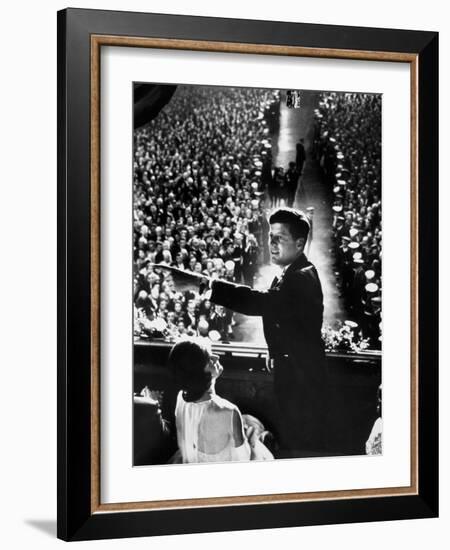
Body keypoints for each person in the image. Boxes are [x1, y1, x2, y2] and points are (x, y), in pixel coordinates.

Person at [156, 208, 330, 458]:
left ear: (300, 243)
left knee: (300, 443)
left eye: (280, 238)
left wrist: (200, 283)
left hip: (303, 383)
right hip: (293, 373)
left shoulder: (301, 278)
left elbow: (258, 303)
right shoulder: (289, 273)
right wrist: (275, 351)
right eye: (271, 237)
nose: (271, 244)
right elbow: (281, 315)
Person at [169, 337, 273, 463]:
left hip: (192, 462)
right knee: (255, 427)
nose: (217, 357)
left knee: (247, 420)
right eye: (209, 358)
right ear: (201, 374)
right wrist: (251, 440)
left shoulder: (181, 398)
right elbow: (244, 459)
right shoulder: (229, 411)